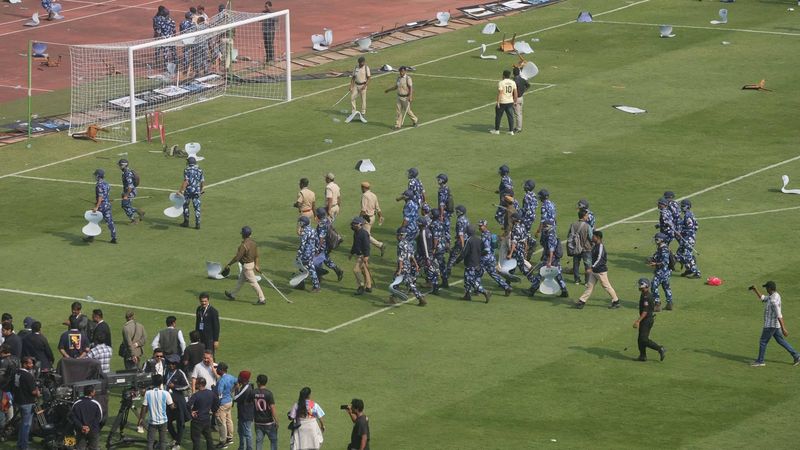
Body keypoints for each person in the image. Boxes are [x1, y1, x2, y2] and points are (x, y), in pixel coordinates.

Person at [749, 281, 800, 367]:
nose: (765, 289)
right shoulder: (774, 295)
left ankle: (760, 361)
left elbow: (779, 315)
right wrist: (755, 290)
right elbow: (763, 298)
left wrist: (784, 328)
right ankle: (796, 355)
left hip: (770, 325)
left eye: (766, 288)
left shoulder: (773, 301)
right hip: (775, 326)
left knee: (763, 342)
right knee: (781, 341)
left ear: (770, 289)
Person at [576, 231, 620, 309]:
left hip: (600, 271)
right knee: (589, 286)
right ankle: (582, 301)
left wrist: (591, 268)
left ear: (598, 237)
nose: (592, 238)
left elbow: (600, 259)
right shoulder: (595, 245)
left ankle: (616, 301)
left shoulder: (600, 247)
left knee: (607, 286)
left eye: (594, 236)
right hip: (595, 271)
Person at [224, 227, 267, 305]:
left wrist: (229, 264)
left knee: (254, 283)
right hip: (251, 264)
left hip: (247, 267)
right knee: (240, 281)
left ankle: (262, 299)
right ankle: (232, 295)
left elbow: (237, 257)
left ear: (243, 235)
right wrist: (257, 265)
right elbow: (256, 256)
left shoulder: (244, 245)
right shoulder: (254, 243)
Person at [528, 220, 568, 298]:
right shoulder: (550, 232)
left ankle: (532, 289)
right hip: (553, 257)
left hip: (550, 257)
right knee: (557, 273)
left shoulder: (550, 235)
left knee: (541, 272)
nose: (543, 227)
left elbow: (551, 249)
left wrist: (549, 261)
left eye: (545, 226)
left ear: (549, 226)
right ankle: (564, 290)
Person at [138, 374, 175, 450]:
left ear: (152, 382)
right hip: (163, 421)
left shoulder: (148, 393)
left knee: (150, 441)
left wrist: (141, 419)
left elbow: (144, 407)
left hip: (152, 422)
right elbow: (172, 407)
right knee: (162, 441)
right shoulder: (166, 393)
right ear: (161, 383)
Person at [391, 227, 426, 306]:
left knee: (395, 281)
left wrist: (399, 269)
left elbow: (401, 258)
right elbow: (412, 256)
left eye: (398, 235)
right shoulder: (408, 243)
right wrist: (416, 264)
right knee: (409, 283)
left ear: (400, 236)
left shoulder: (400, 245)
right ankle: (420, 297)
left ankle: (393, 298)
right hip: (408, 265)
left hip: (402, 266)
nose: (397, 237)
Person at [634, 278, 666, 362]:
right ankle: (642, 356)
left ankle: (660, 348)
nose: (639, 286)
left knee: (643, 339)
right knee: (640, 339)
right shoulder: (644, 294)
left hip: (647, 320)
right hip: (647, 319)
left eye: (640, 285)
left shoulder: (646, 297)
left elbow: (645, 311)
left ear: (645, 286)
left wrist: (638, 321)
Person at [456, 225, 491, 303]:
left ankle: (484, 291)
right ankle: (467, 295)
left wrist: (457, 261)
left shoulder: (469, 240)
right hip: (477, 263)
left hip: (470, 264)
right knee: (466, 279)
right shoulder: (479, 240)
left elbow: (464, 253)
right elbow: (484, 251)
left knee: (470, 280)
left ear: (468, 232)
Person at [478, 220, 512, 296]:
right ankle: (506, 287)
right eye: (479, 226)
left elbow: (486, 250)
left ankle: (478, 290)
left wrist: (478, 254)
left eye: (481, 226)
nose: (479, 227)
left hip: (485, 258)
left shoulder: (484, 236)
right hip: (491, 258)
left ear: (485, 226)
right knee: (493, 273)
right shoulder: (490, 234)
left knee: (477, 273)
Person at [83, 169, 117, 244]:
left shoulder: (99, 185)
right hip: (107, 205)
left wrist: (97, 207)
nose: (95, 176)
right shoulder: (107, 184)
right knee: (110, 221)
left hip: (101, 206)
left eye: (95, 175)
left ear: (98, 176)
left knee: (93, 220)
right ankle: (114, 237)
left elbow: (100, 197)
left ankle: (91, 237)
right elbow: (106, 195)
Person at [164, 354, 190, 450]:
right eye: (169, 363)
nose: (171, 365)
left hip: (179, 402)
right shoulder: (166, 371)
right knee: (167, 422)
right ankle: (175, 438)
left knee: (180, 422)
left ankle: (177, 443)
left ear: (176, 364)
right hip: (168, 402)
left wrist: (174, 386)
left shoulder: (180, 373)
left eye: (173, 364)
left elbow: (187, 386)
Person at [13, 356, 40, 450]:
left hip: (18, 401)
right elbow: (33, 392)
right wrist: (38, 390)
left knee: (23, 424)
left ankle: (20, 444)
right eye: (30, 363)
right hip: (27, 403)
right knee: (26, 426)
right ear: (24, 364)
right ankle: (24, 447)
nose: (32, 365)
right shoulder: (28, 376)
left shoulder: (17, 373)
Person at [187, 377, 219, 450]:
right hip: (207, 419)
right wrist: (213, 410)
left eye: (196, 383)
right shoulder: (211, 393)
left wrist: (191, 412)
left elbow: (188, 405)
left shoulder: (196, 395)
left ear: (199, 385)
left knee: (196, 439)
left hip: (197, 421)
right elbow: (217, 402)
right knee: (209, 438)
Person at [70, 385, 103, 450]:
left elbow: (73, 417)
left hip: (80, 430)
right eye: (94, 391)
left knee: (80, 448)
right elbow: (99, 418)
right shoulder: (96, 403)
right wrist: (89, 427)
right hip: (93, 430)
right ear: (91, 393)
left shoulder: (76, 403)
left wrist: (81, 427)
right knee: (93, 448)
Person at [443, 205, 469, 287]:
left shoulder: (460, 221)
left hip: (461, 242)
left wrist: (462, 245)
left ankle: (447, 273)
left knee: (452, 256)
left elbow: (461, 234)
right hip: (467, 240)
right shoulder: (466, 219)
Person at [315, 208, 344, 281]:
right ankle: (337, 270)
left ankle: (319, 277)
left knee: (319, 259)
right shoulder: (327, 220)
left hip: (323, 245)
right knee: (326, 259)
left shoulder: (321, 224)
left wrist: (318, 248)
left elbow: (321, 238)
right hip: (329, 244)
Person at [648, 233, 673, 311]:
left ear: (661, 240)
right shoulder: (660, 248)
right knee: (666, 287)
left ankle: (657, 304)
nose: (655, 240)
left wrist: (655, 264)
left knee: (653, 286)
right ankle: (669, 303)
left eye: (657, 239)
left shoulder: (664, 249)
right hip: (665, 272)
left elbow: (665, 262)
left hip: (662, 272)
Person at [178, 157, 205, 229]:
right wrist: (202, 189)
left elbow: (186, 181)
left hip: (188, 191)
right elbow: (202, 181)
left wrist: (181, 191)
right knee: (197, 207)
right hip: (197, 191)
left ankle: (186, 222)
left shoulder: (187, 170)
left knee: (185, 206)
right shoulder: (200, 170)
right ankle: (198, 224)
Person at [359, 182, 385, 254]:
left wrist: (359, 219)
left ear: (364, 188)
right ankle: (362, 248)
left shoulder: (365, 196)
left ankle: (380, 245)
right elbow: (378, 208)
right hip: (373, 217)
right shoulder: (374, 195)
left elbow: (363, 210)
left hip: (366, 218)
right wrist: (380, 216)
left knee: (366, 235)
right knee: (363, 234)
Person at [676, 199, 701, 278]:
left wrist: (681, 233)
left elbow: (690, 228)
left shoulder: (688, 215)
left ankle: (696, 272)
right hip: (687, 238)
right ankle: (688, 269)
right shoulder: (689, 214)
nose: (681, 207)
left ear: (687, 207)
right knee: (678, 254)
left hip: (687, 239)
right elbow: (696, 226)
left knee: (687, 256)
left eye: (683, 206)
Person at [567, 209, 592, 285]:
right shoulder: (587, 226)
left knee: (576, 264)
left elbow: (569, 235)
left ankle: (576, 280)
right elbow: (591, 237)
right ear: (584, 216)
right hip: (586, 248)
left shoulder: (573, 224)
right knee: (587, 265)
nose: (587, 216)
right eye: (587, 215)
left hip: (576, 248)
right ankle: (587, 281)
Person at [253, 374, 278, 450]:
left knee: (259, 441)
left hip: (258, 422)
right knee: (273, 440)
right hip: (269, 422)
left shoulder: (253, 393)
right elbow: (272, 408)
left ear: (259, 383)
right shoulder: (269, 393)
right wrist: (276, 420)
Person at [296, 216, 321, 292]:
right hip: (311, 252)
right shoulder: (313, 230)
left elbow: (302, 244)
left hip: (305, 254)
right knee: (302, 268)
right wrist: (316, 249)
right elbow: (317, 241)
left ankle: (316, 286)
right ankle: (301, 284)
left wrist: (298, 255)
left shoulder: (304, 232)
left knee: (310, 269)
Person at [215, 363, 237, 448]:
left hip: (223, 404)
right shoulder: (231, 377)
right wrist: (232, 391)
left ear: (221, 370)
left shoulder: (221, 380)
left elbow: (219, 394)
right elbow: (237, 382)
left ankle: (223, 442)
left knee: (221, 423)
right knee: (229, 420)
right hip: (229, 402)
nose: (216, 370)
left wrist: (216, 405)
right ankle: (230, 438)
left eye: (217, 369)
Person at [349, 217, 373, 295]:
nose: (353, 225)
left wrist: (366, 256)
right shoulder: (356, 232)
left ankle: (361, 286)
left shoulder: (364, 233)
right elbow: (355, 244)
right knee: (364, 270)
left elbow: (367, 246)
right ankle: (369, 287)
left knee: (356, 270)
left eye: (354, 224)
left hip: (363, 255)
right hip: (360, 255)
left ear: (360, 224)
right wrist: (351, 253)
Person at [233, 371, 255, 450]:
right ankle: (241, 447)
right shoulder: (246, 386)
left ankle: (249, 448)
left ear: (243, 378)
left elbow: (236, 398)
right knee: (241, 432)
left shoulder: (246, 388)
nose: (238, 378)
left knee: (247, 433)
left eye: (239, 376)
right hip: (243, 414)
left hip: (246, 415)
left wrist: (236, 389)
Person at [490, 70, 517, 135]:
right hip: (510, 101)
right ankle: (511, 131)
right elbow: (515, 92)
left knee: (498, 116)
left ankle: (497, 130)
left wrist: (498, 102)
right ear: (509, 75)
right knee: (510, 116)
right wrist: (515, 101)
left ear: (503, 75)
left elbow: (500, 93)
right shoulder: (513, 82)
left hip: (502, 102)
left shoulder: (501, 82)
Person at [119, 158, 144, 224]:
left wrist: (126, 195)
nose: (119, 166)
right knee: (125, 205)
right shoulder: (126, 172)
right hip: (128, 191)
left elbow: (130, 186)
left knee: (125, 205)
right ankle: (136, 215)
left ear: (123, 165)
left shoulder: (127, 174)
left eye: (120, 165)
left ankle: (136, 216)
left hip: (130, 192)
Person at [512, 66, 530, 133]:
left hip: (516, 98)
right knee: (519, 113)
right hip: (521, 97)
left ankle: (518, 128)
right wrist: (523, 91)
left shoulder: (514, 81)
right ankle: (518, 127)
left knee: (517, 114)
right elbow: (528, 85)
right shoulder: (522, 79)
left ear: (513, 73)